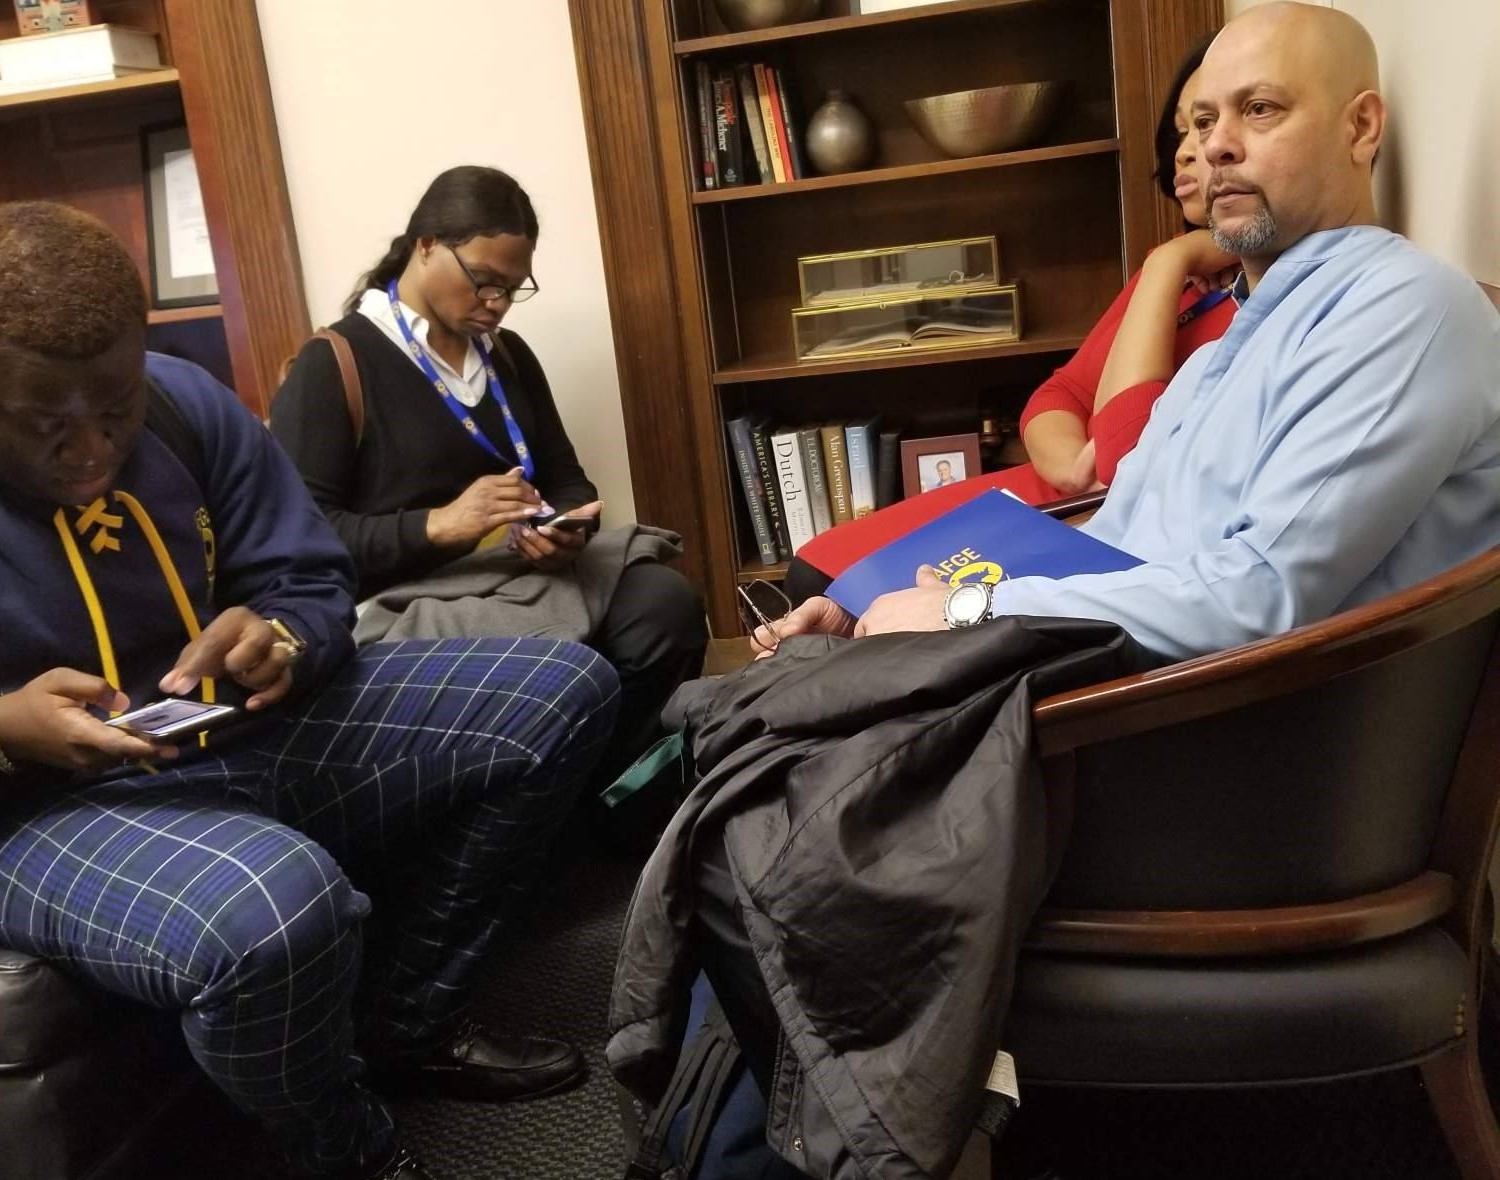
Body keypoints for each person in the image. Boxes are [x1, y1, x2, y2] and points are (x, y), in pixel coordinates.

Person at [630, 4, 1500, 1177]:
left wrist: (962, 622)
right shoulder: (1246, 328)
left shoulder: (1403, 311)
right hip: (1144, 708)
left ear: (1362, 125)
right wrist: (905, 593)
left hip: (1239, 777)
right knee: (751, 717)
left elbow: (1259, 604)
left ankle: (812, 1143)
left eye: (1259, 110)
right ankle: (762, 1124)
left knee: (763, 807)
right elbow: (1119, 540)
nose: (1218, 145)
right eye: (1201, 119)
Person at [0, 201, 622, 1180]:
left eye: (113, 408)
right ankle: (350, 1149)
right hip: (46, 808)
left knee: (562, 688)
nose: (91, 450)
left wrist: (283, 637)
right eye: (45, 424)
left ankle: (407, 1023)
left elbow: (308, 575)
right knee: (276, 906)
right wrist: (5, 727)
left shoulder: (180, 404)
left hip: (234, 729)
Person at [270, 166, 706, 786]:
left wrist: (565, 529)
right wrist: (440, 525)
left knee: (666, 606)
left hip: (520, 575)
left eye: (512, 288)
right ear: (424, 244)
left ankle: (606, 803)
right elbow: (303, 551)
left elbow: (566, 477)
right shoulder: (333, 365)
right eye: (483, 282)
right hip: (411, 599)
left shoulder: (507, 356)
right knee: (553, 662)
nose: (496, 303)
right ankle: (558, 814)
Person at [788, 40, 1238, 599]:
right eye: (1186, 129)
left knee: (832, 593)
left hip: (1096, 536)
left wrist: (1169, 262)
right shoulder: (1176, 277)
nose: (1189, 151)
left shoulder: (1211, 285)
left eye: (1211, 125)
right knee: (815, 569)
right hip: (1052, 492)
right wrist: (1073, 466)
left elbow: (1123, 465)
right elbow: (1059, 393)